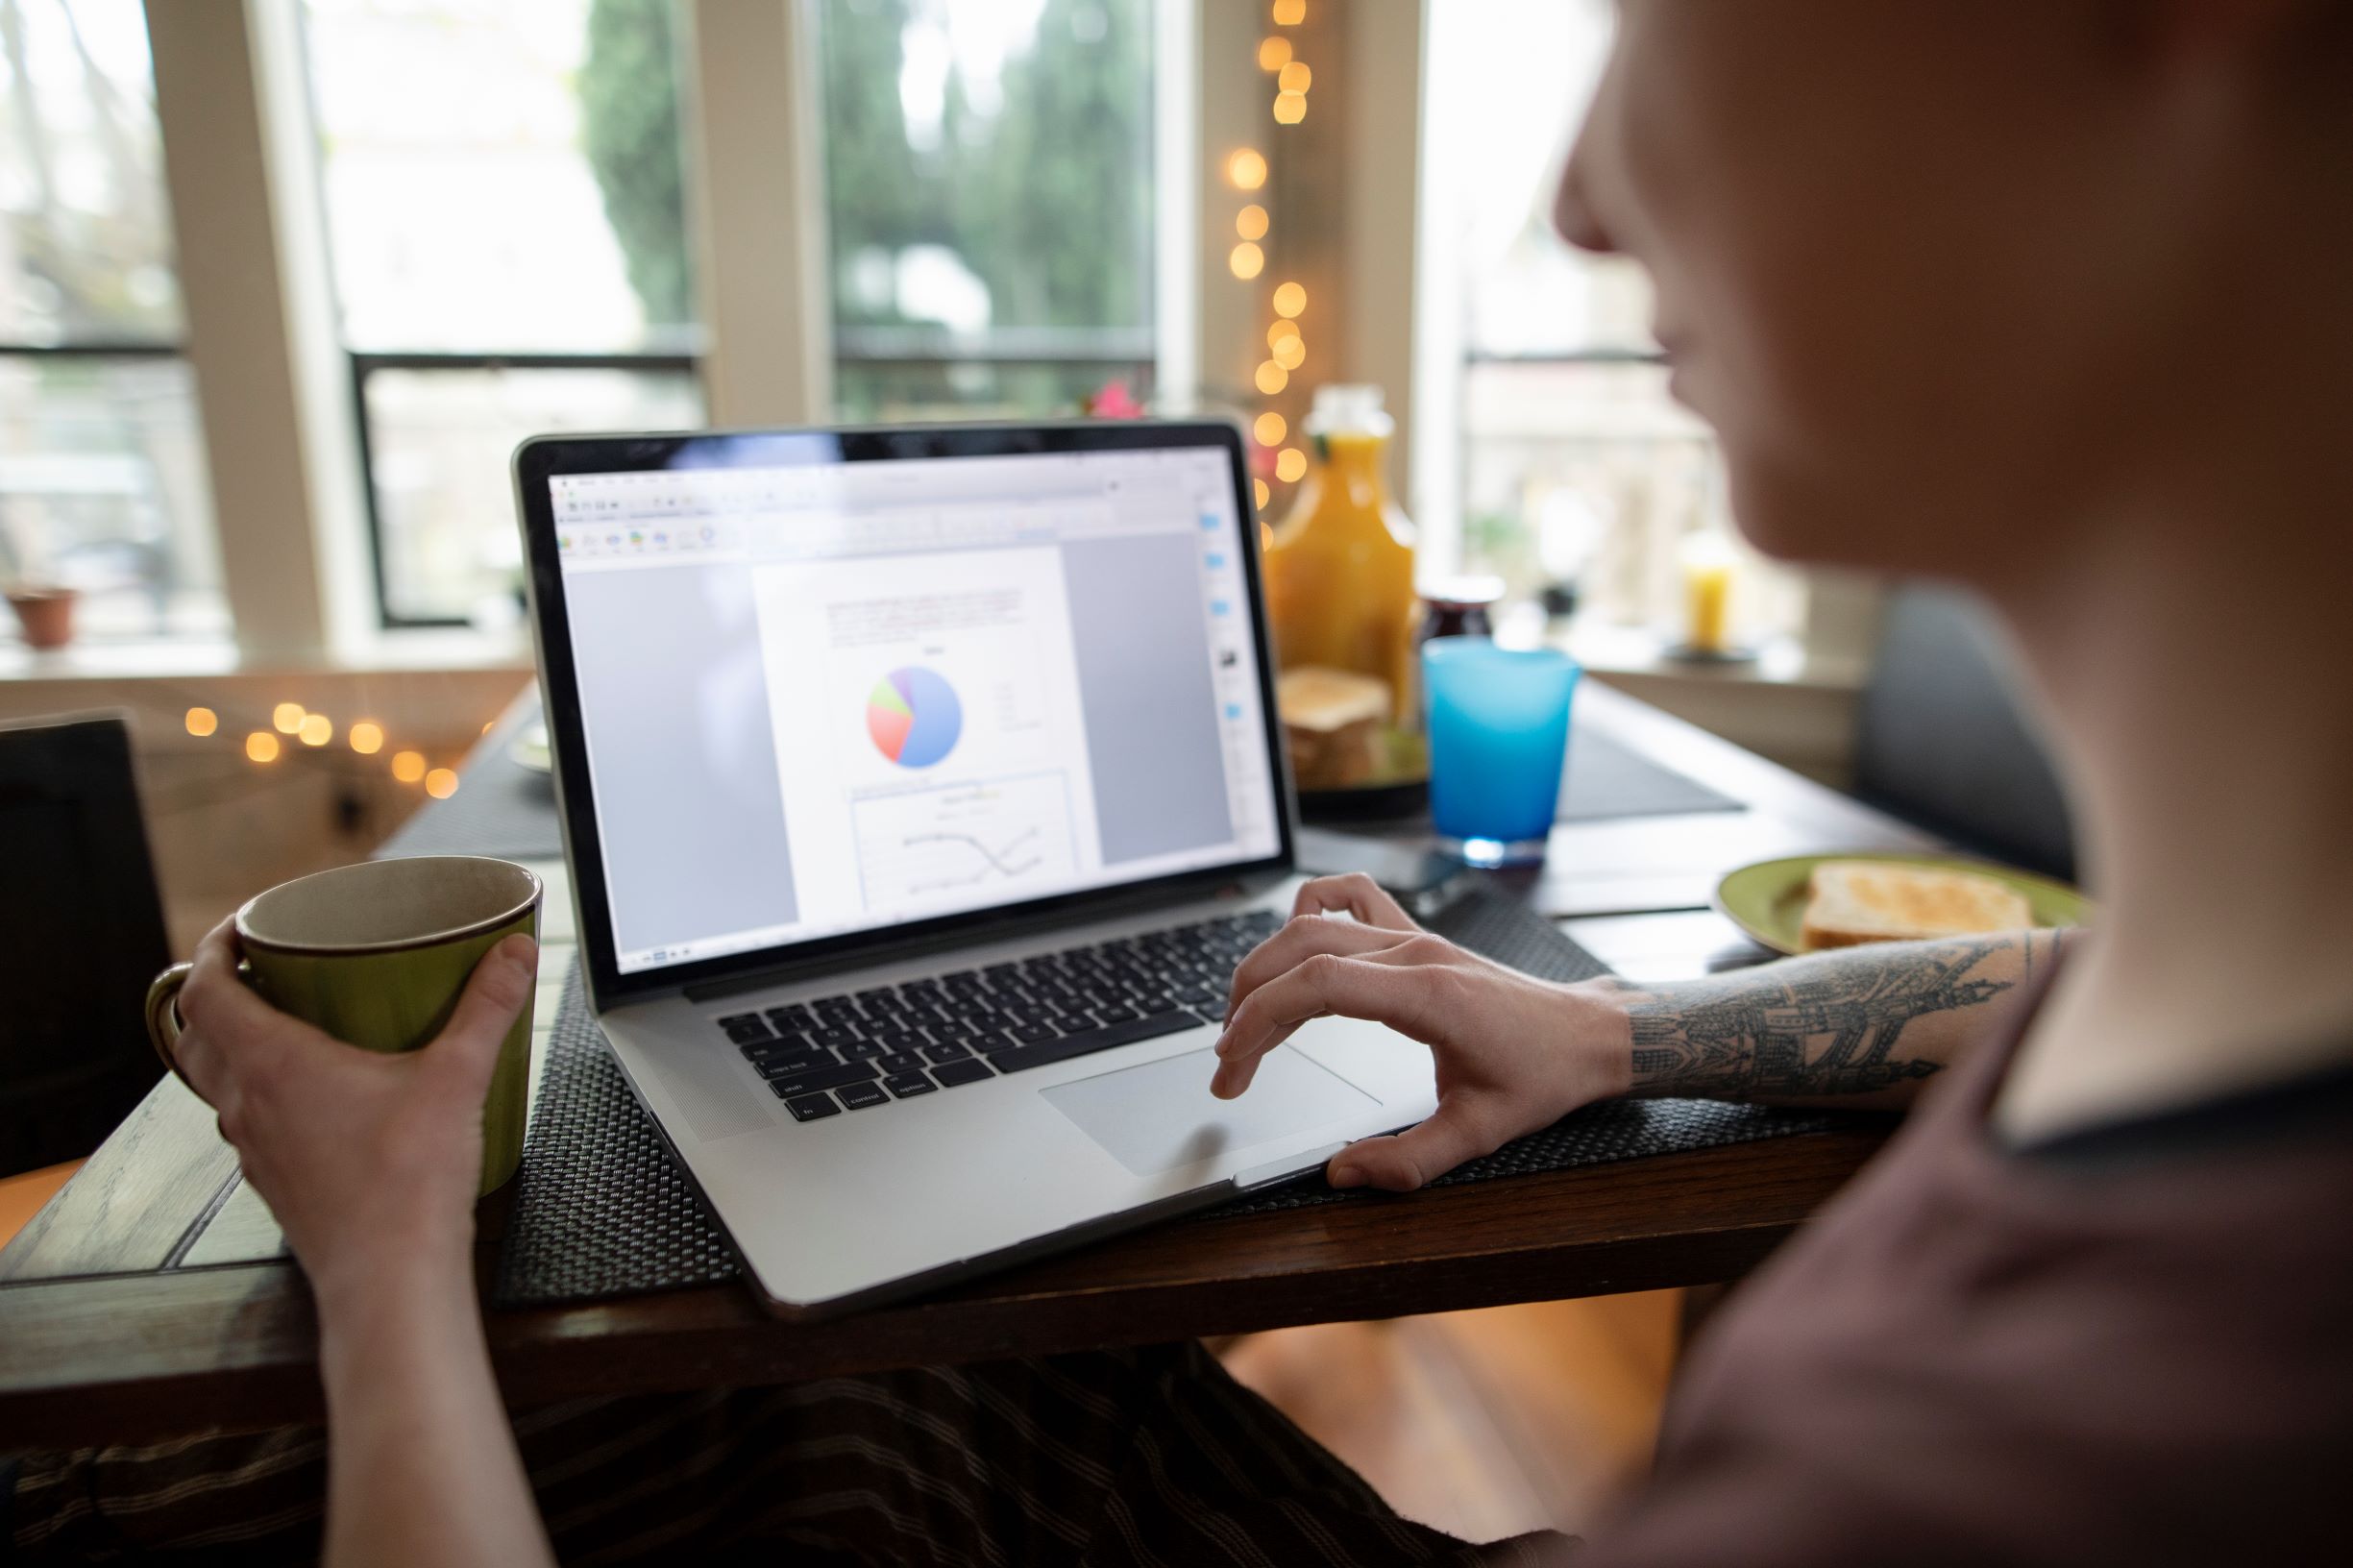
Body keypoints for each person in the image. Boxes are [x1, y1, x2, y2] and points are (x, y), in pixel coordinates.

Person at [12, 0, 2353, 1560]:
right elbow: (2049, 980)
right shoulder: (2216, 1020)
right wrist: (1613, 1034)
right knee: (832, 1389)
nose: (1575, 199)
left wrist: (394, 1250)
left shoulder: (2018, 1469)